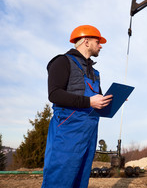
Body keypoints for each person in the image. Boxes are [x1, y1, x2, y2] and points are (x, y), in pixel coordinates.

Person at [42, 25, 113, 188]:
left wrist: (111, 100)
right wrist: (89, 102)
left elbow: (98, 102)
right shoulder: (62, 62)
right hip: (67, 132)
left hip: (88, 133)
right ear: (86, 42)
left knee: (80, 180)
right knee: (59, 178)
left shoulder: (95, 73)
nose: (101, 45)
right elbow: (54, 94)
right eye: (98, 41)